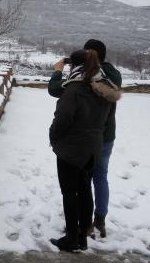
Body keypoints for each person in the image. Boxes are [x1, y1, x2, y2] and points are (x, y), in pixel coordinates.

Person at [49, 48, 121, 251]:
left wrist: (54, 137)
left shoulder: (75, 89)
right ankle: (82, 238)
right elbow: (108, 120)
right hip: (93, 148)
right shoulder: (104, 87)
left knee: (69, 193)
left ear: (74, 66)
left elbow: (62, 119)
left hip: (71, 149)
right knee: (84, 190)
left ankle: (71, 239)